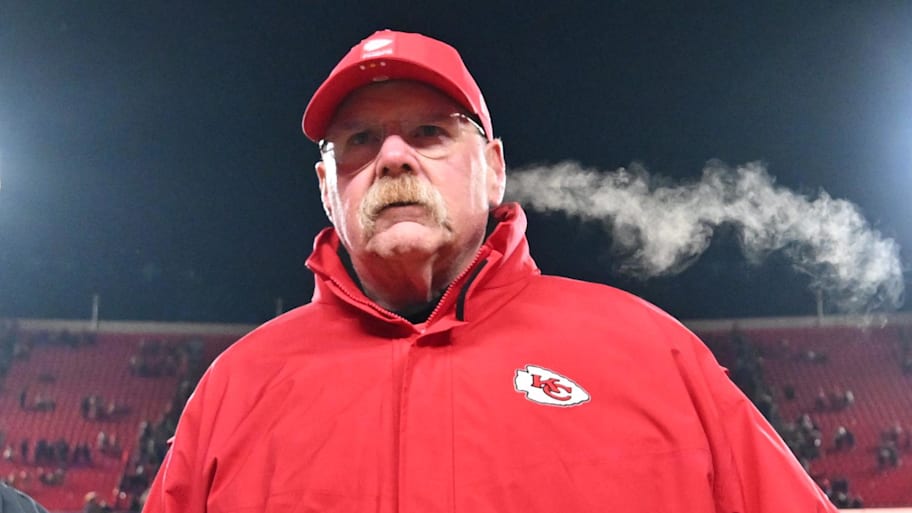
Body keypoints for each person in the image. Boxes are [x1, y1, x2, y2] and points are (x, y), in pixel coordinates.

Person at [142, 29, 837, 512]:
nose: (393, 158)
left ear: (494, 167)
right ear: (328, 188)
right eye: (359, 140)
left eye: (430, 132)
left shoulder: (654, 355)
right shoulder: (234, 391)